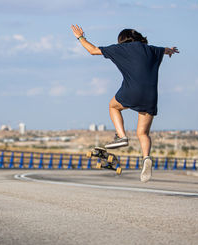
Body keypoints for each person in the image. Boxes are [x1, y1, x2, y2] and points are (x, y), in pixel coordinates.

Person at [71, 25, 179, 182]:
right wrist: (170, 50)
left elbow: (92, 50)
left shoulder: (120, 49)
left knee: (113, 106)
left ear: (122, 40)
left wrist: (80, 37)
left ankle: (121, 136)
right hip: (150, 96)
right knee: (143, 133)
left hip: (131, 92)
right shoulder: (153, 50)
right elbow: (165, 50)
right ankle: (146, 158)